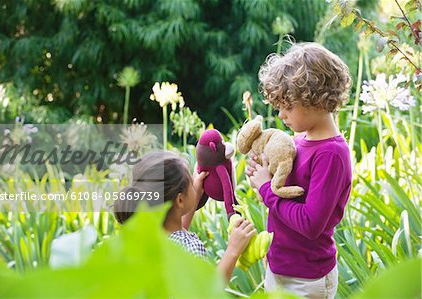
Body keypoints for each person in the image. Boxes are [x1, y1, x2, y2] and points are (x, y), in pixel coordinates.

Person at [246, 42, 352, 299]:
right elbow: (284, 195)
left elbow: (310, 223)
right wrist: (265, 173)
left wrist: (265, 188)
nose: (281, 114)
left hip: (307, 278)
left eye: (287, 106)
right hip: (282, 268)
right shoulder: (297, 143)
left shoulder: (331, 154)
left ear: (315, 99)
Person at [114, 151, 256, 282]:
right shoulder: (190, 248)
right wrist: (232, 250)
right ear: (180, 200)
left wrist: (195, 195)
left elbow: (177, 231)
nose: (194, 185)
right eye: (190, 182)